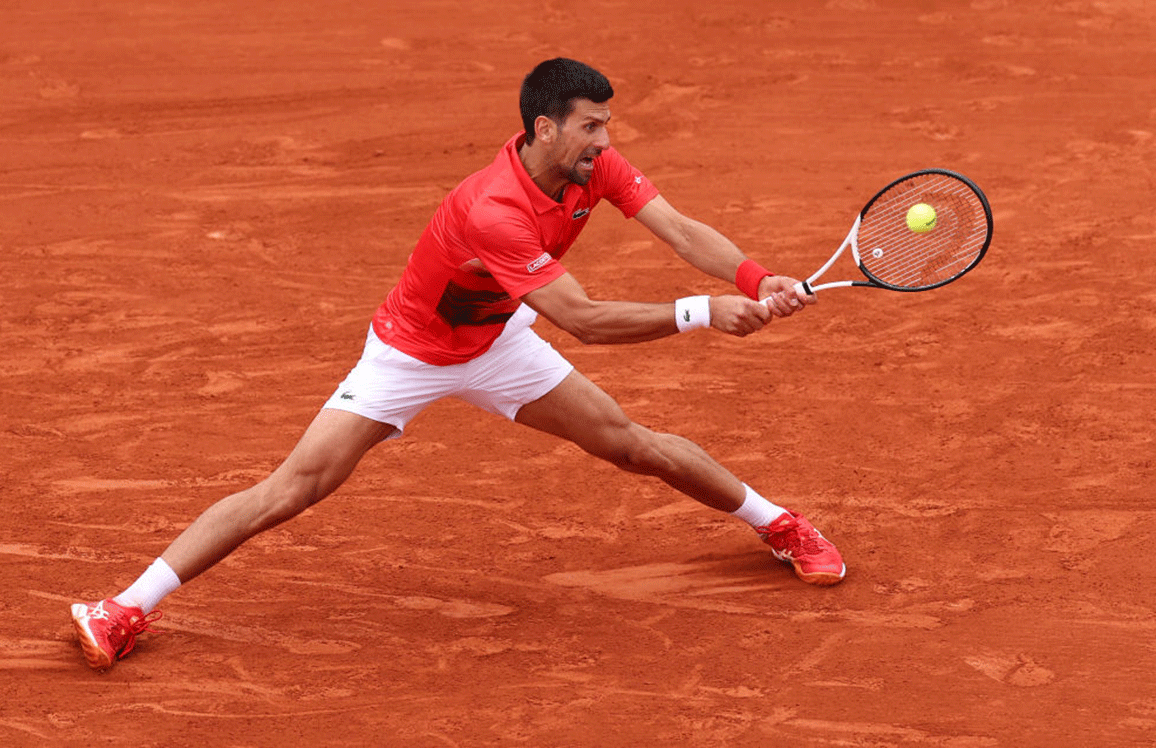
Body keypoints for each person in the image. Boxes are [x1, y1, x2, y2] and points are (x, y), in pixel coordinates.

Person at [71, 57, 845, 671]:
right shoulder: (493, 209)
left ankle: (779, 524)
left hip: (498, 344)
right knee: (294, 488)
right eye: (590, 128)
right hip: (410, 352)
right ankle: (124, 608)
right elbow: (579, 319)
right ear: (545, 128)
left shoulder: (592, 168)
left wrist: (750, 279)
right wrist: (700, 313)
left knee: (630, 444)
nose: (606, 142)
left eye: (608, 126)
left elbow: (678, 229)